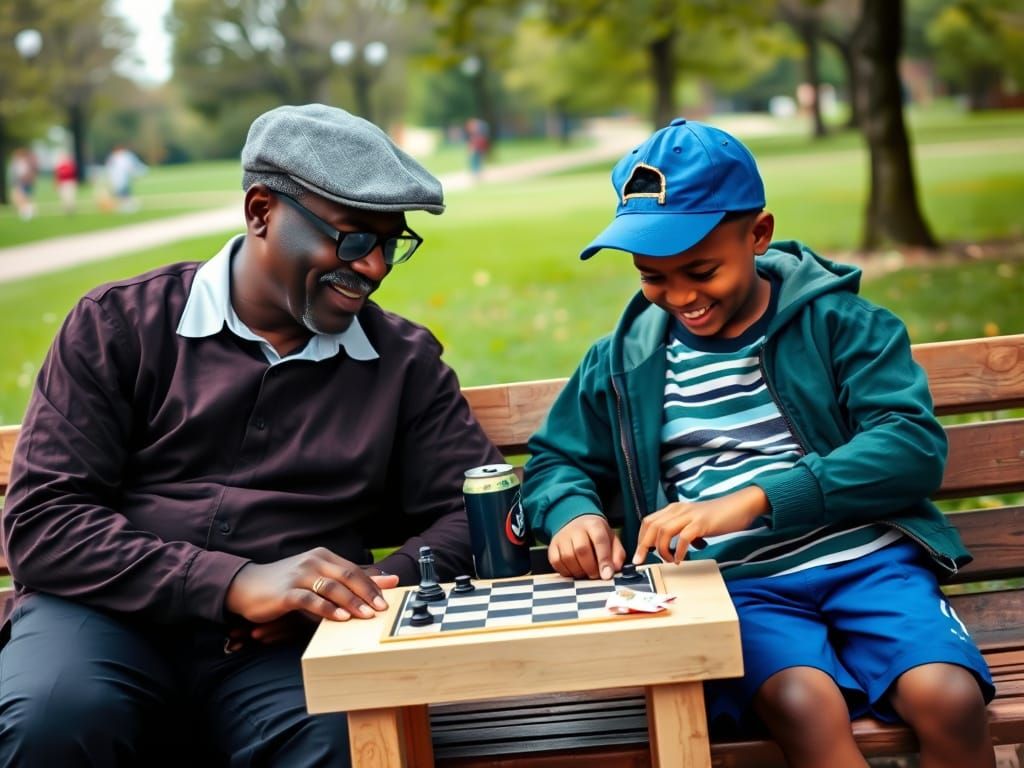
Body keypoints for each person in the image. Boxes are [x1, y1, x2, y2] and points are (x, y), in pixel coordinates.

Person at [0, 103, 502, 766]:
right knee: (56, 719)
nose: (376, 267)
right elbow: (44, 522)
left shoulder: (402, 363)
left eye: (391, 243)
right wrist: (232, 581)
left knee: (337, 741)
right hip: (101, 622)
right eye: (353, 238)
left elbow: (472, 510)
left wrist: (363, 586)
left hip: (283, 652)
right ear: (262, 210)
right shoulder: (117, 326)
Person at [521, 118, 995, 768]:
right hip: (739, 585)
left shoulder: (840, 325)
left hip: (871, 562)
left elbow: (910, 445)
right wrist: (572, 512)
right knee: (803, 703)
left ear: (759, 234)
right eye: (652, 276)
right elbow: (557, 460)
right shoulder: (623, 360)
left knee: (949, 700)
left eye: (701, 269)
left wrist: (750, 500)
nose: (680, 295)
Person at [105, 143, 147, 212]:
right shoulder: (121, 157)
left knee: (122, 194)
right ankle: (125, 206)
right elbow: (130, 167)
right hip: (120, 180)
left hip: (118, 180)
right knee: (122, 195)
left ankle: (125, 205)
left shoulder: (115, 157)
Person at [9, 147, 37, 221]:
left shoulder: (23, 162)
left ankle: (27, 212)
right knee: (21, 196)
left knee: (24, 196)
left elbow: (24, 173)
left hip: (23, 182)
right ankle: (26, 211)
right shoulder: (17, 162)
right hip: (20, 181)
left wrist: (23, 180)